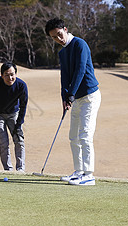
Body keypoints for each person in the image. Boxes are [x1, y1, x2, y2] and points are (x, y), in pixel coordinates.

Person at [45, 18, 101, 186]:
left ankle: (89, 174)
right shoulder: (62, 52)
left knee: (85, 135)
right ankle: (78, 171)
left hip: (89, 96)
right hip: (76, 98)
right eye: (54, 37)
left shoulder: (80, 44)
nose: (58, 39)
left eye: (59, 34)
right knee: (73, 136)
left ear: (65, 29)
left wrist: (71, 94)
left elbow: (80, 70)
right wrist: (64, 97)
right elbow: (65, 76)